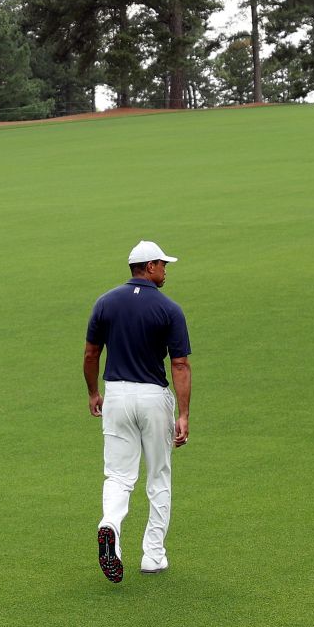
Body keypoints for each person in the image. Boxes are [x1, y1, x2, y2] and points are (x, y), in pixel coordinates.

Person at [83, 239, 191, 582]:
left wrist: (93, 392)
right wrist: (184, 414)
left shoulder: (105, 302)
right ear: (148, 267)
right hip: (152, 398)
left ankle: (110, 526)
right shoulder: (169, 309)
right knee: (158, 475)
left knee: (118, 475)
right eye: (162, 264)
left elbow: (90, 354)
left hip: (115, 394)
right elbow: (180, 365)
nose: (165, 270)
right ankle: (153, 555)